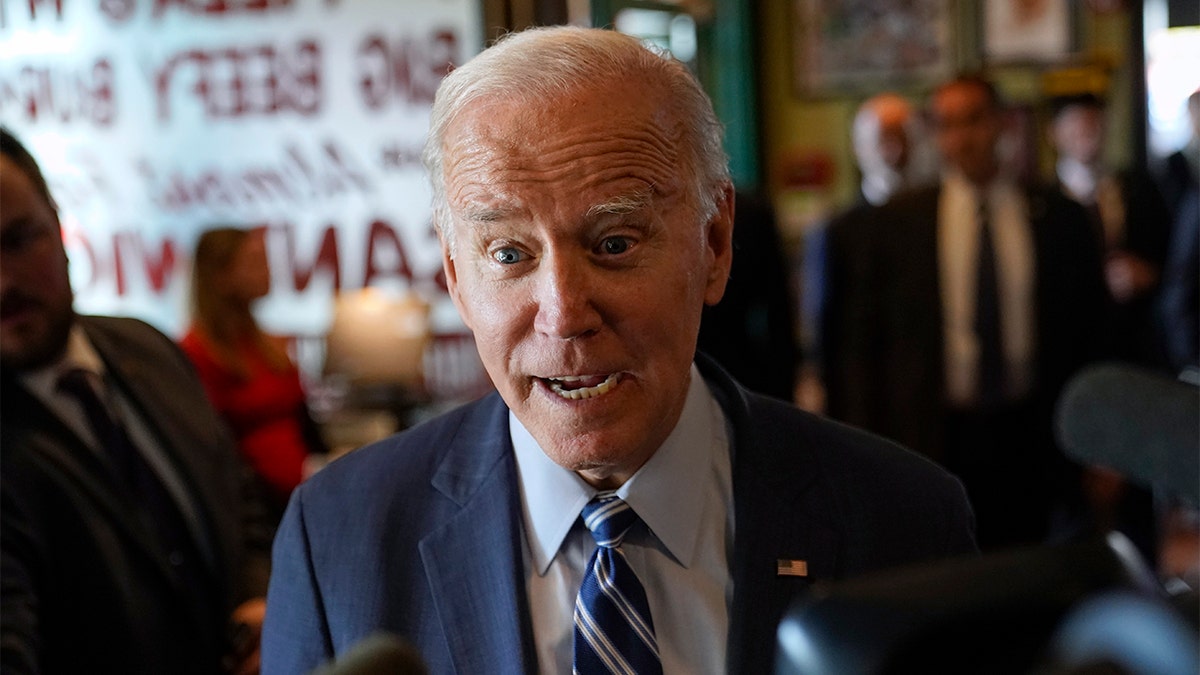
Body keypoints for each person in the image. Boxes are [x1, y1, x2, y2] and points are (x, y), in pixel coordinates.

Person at [261, 26, 976, 675]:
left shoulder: (903, 517)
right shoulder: (339, 540)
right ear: (454, 273)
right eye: (509, 253)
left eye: (614, 244)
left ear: (715, 244)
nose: (565, 314)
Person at [0, 128, 271, 673]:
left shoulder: (146, 347)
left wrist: (261, 601)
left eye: (18, 239)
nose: (4, 280)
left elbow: (237, 495)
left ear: (57, 223)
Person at [822, 75, 1110, 552]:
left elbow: (1092, 334)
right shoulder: (896, 222)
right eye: (949, 124)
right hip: (932, 434)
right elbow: (860, 349)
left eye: (975, 120)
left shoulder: (1059, 216)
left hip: (1032, 433)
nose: (963, 137)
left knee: (1025, 572)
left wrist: (1100, 449)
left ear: (1002, 125)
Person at [181, 226, 328, 521]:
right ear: (220, 277)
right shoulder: (196, 354)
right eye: (254, 262)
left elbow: (304, 424)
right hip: (257, 508)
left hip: (305, 487)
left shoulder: (266, 344)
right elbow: (214, 452)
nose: (268, 271)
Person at [816, 93, 927, 413]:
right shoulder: (837, 231)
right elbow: (830, 335)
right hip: (868, 403)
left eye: (901, 138)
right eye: (882, 140)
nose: (893, 152)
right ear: (858, 149)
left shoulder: (939, 220)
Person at [1047, 93, 1172, 368]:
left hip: (1134, 341)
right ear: (1055, 134)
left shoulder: (1140, 189)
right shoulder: (1041, 202)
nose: (1086, 132)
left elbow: (1171, 254)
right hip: (1070, 347)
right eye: (1075, 124)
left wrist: (1151, 274)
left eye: (1094, 123)